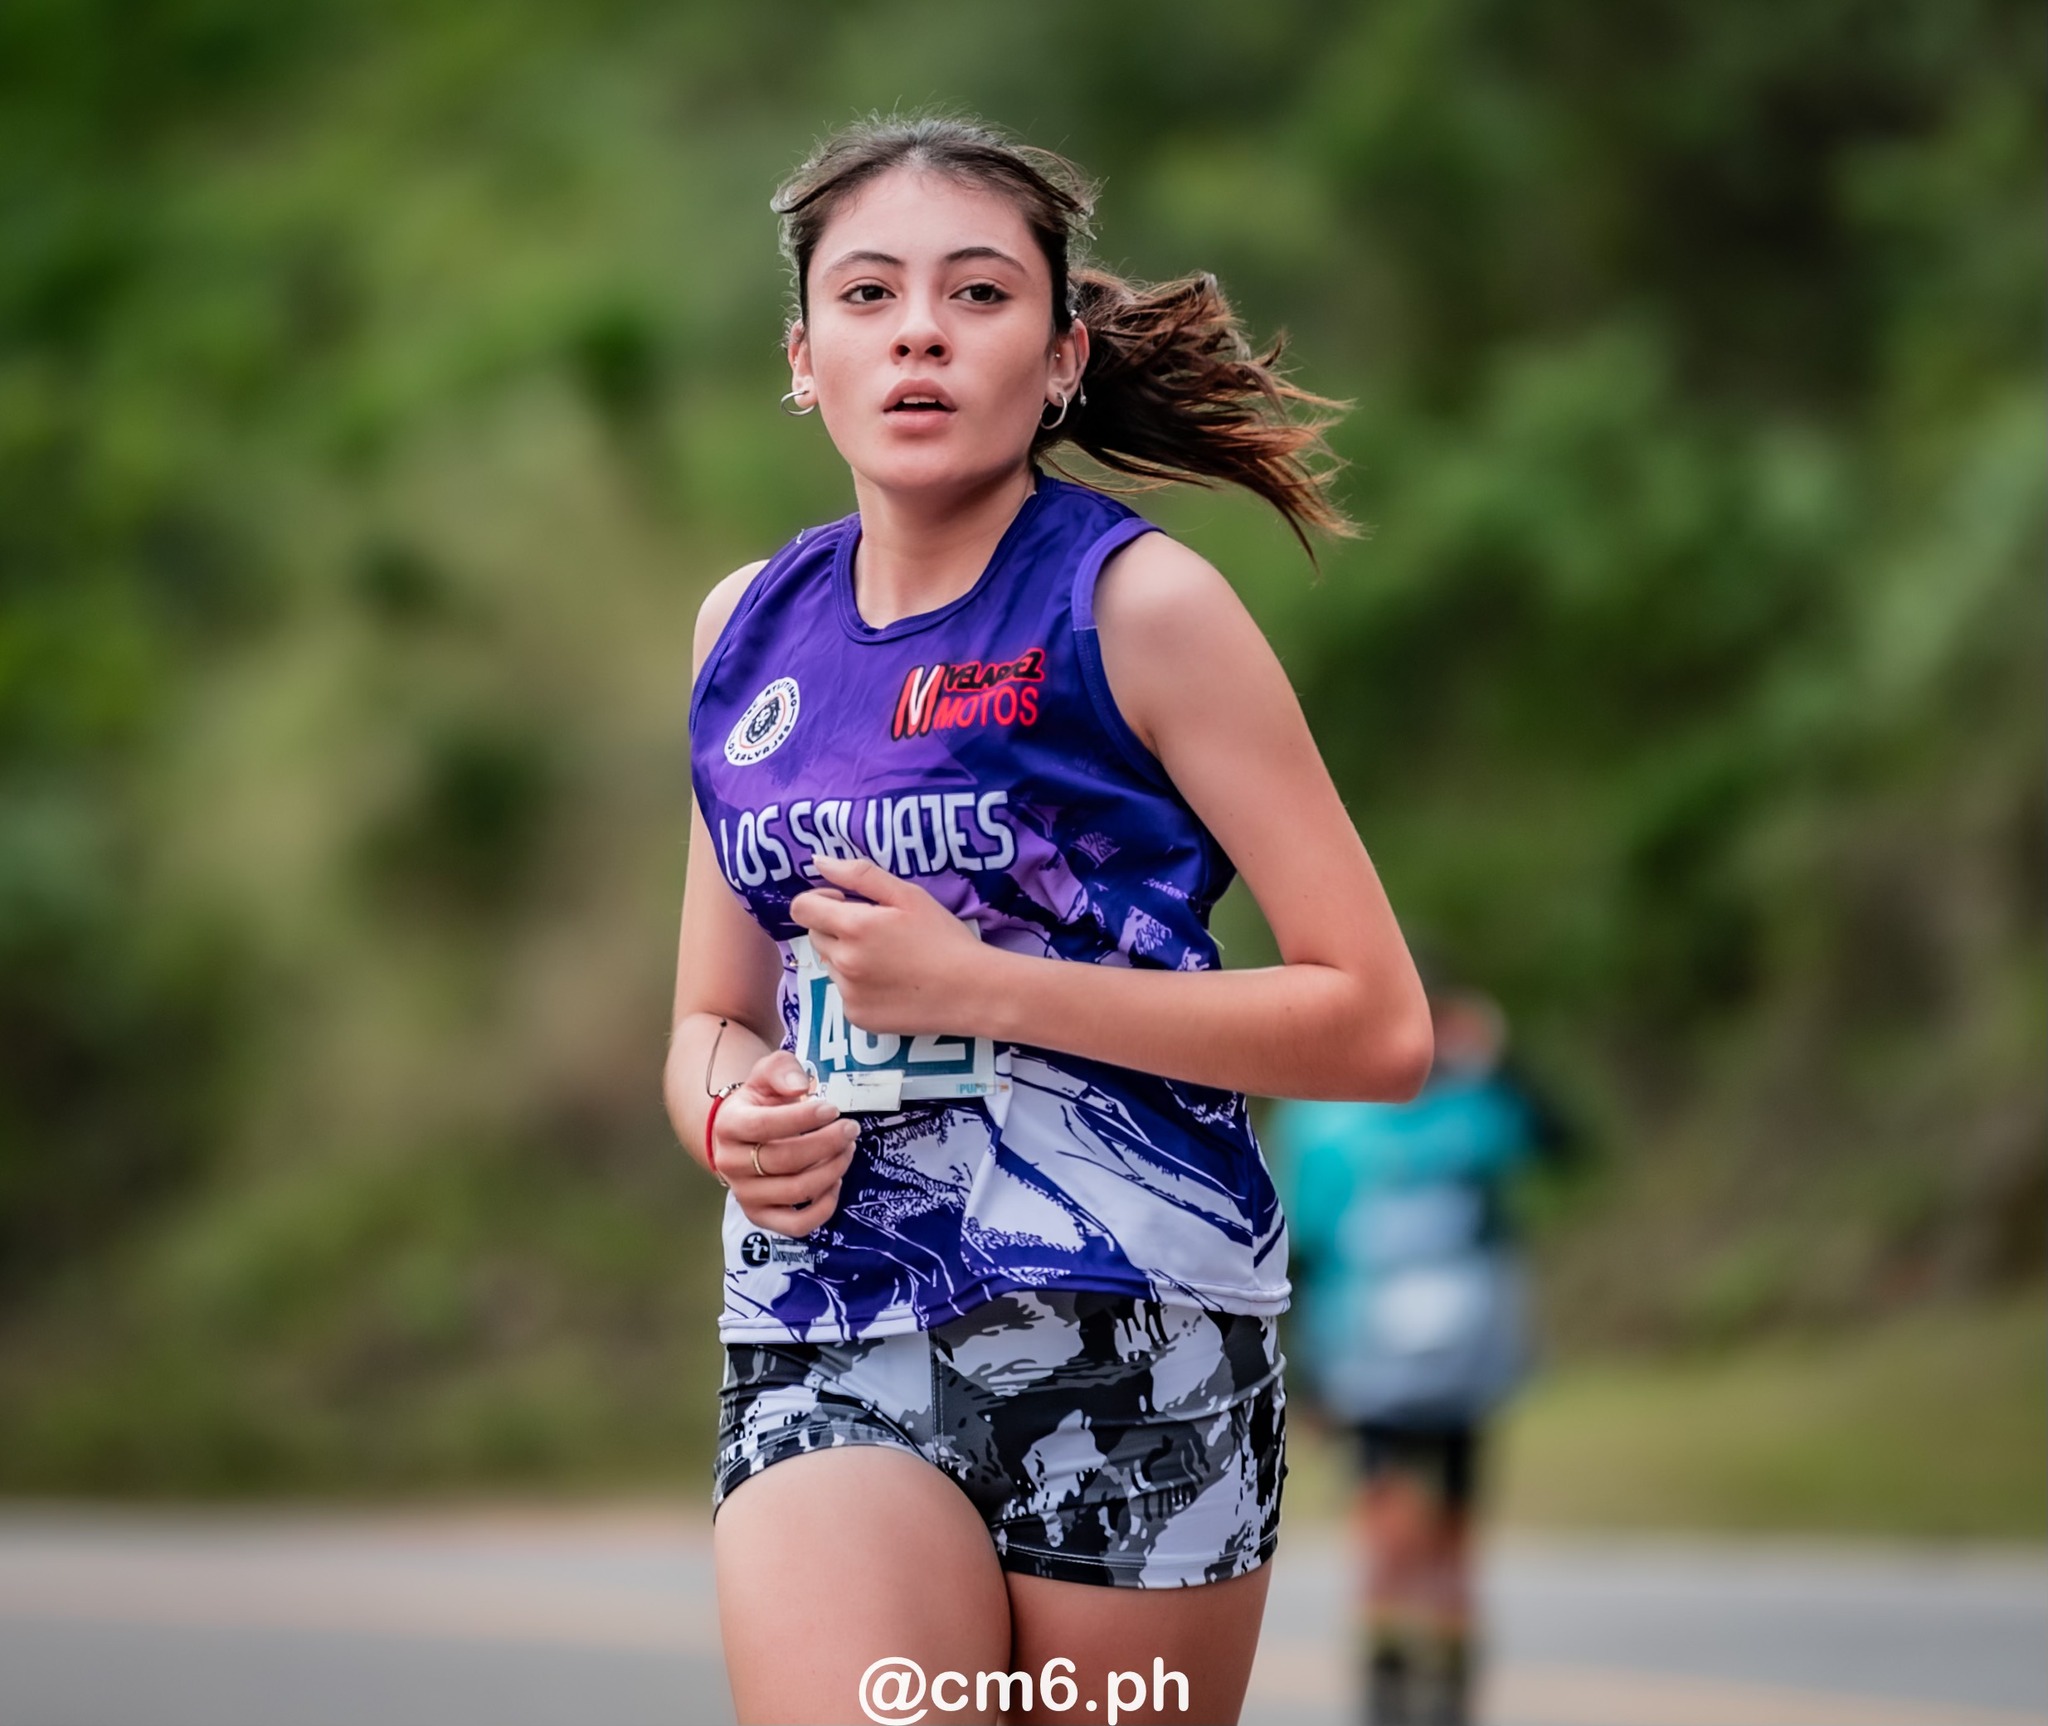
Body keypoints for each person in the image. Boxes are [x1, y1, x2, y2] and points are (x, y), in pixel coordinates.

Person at [663, 115, 1431, 1726]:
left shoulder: (1141, 608)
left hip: (1139, 1326)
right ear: (805, 358)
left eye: (979, 293)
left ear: (1064, 354)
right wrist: (731, 1113)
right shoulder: (746, 632)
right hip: (831, 1319)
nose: (921, 329)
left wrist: (984, 986)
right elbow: (706, 1019)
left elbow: (1375, 1023)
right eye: (868, 296)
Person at [1269, 987, 1568, 1726]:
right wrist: (1306, 1374)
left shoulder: (1474, 1108)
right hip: (1365, 1363)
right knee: (1390, 1532)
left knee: (1452, 1539)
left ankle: (1446, 1693)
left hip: (1465, 1366)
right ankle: (1391, 1690)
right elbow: (1296, 1250)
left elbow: (1563, 1143)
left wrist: (1504, 1058)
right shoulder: (1324, 1124)